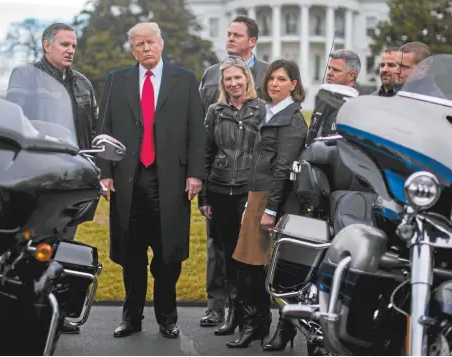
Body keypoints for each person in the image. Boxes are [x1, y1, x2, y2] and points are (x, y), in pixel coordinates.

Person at [95, 22, 205, 339]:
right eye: (139, 44)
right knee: (131, 253)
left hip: (169, 180)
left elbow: (197, 130)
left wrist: (195, 172)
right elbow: (104, 132)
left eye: (151, 42)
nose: (146, 48)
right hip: (128, 181)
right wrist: (104, 174)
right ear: (132, 49)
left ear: (161, 44)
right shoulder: (117, 81)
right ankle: (131, 318)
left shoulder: (183, 80)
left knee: (168, 254)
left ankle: (167, 318)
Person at [6, 22, 98, 335]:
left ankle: (54, 314)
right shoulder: (26, 76)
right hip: (37, 175)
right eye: (64, 44)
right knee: (30, 246)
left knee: (63, 247)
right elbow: (14, 118)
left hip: (72, 178)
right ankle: (18, 310)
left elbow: (92, 130)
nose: (71, 50)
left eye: (74, 45)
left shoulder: (83, 83)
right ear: (47, 46)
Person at [229, 59, 308, 349]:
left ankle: (281, 328)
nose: (274, 84)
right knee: (249, 264)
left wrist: (270, 210)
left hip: (273, 199)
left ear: (294, 85)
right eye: (271, 78)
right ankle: (256, 324)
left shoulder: (292, 120)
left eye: (281, 79)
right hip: (257, 194)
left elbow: (283, 168)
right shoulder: (271, 112)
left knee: (273, 270)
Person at [197, 14, 269, 329]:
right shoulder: (213, 74)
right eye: (227, 34)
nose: (229, 39)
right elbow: (206, 133)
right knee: (219, 245)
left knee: (251, 247)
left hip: (250, 182)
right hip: (221, 180)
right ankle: (218, 306)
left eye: (236, 35)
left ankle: (252, 312)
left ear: (252, 40)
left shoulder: (269, 73)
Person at [305, 49, 360, 145]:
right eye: (329, 68)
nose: (329, 73)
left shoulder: (355, 108)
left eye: (336, 70)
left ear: (351, 75)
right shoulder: (323, 98)